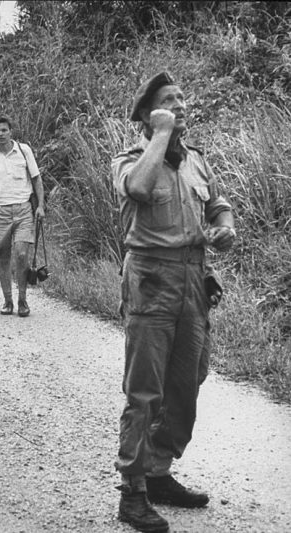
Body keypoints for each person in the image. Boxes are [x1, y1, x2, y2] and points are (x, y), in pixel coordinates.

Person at [111, 72, 236, 533]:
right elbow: (141, 190)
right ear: (148, 116)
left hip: (193, 278)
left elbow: (217, 203)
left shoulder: (197, 162)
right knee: (145, 389)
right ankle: (133, 491)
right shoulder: (129, 160)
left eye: (183, 97)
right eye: (169, 101)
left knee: (189, 380)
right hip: (151, 278)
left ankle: (159, 471)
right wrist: (160, 134)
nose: (181, 104)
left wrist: (225, 227)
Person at [0, 115, 46, 317]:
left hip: (23, 209)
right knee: (3, 258)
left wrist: (40, 206)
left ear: (10, 131)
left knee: (22, 254)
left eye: (4, 130)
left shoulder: (24, 151)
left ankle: (23, 299)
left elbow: (37, 179)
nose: (0, 134)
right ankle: (8, 301)